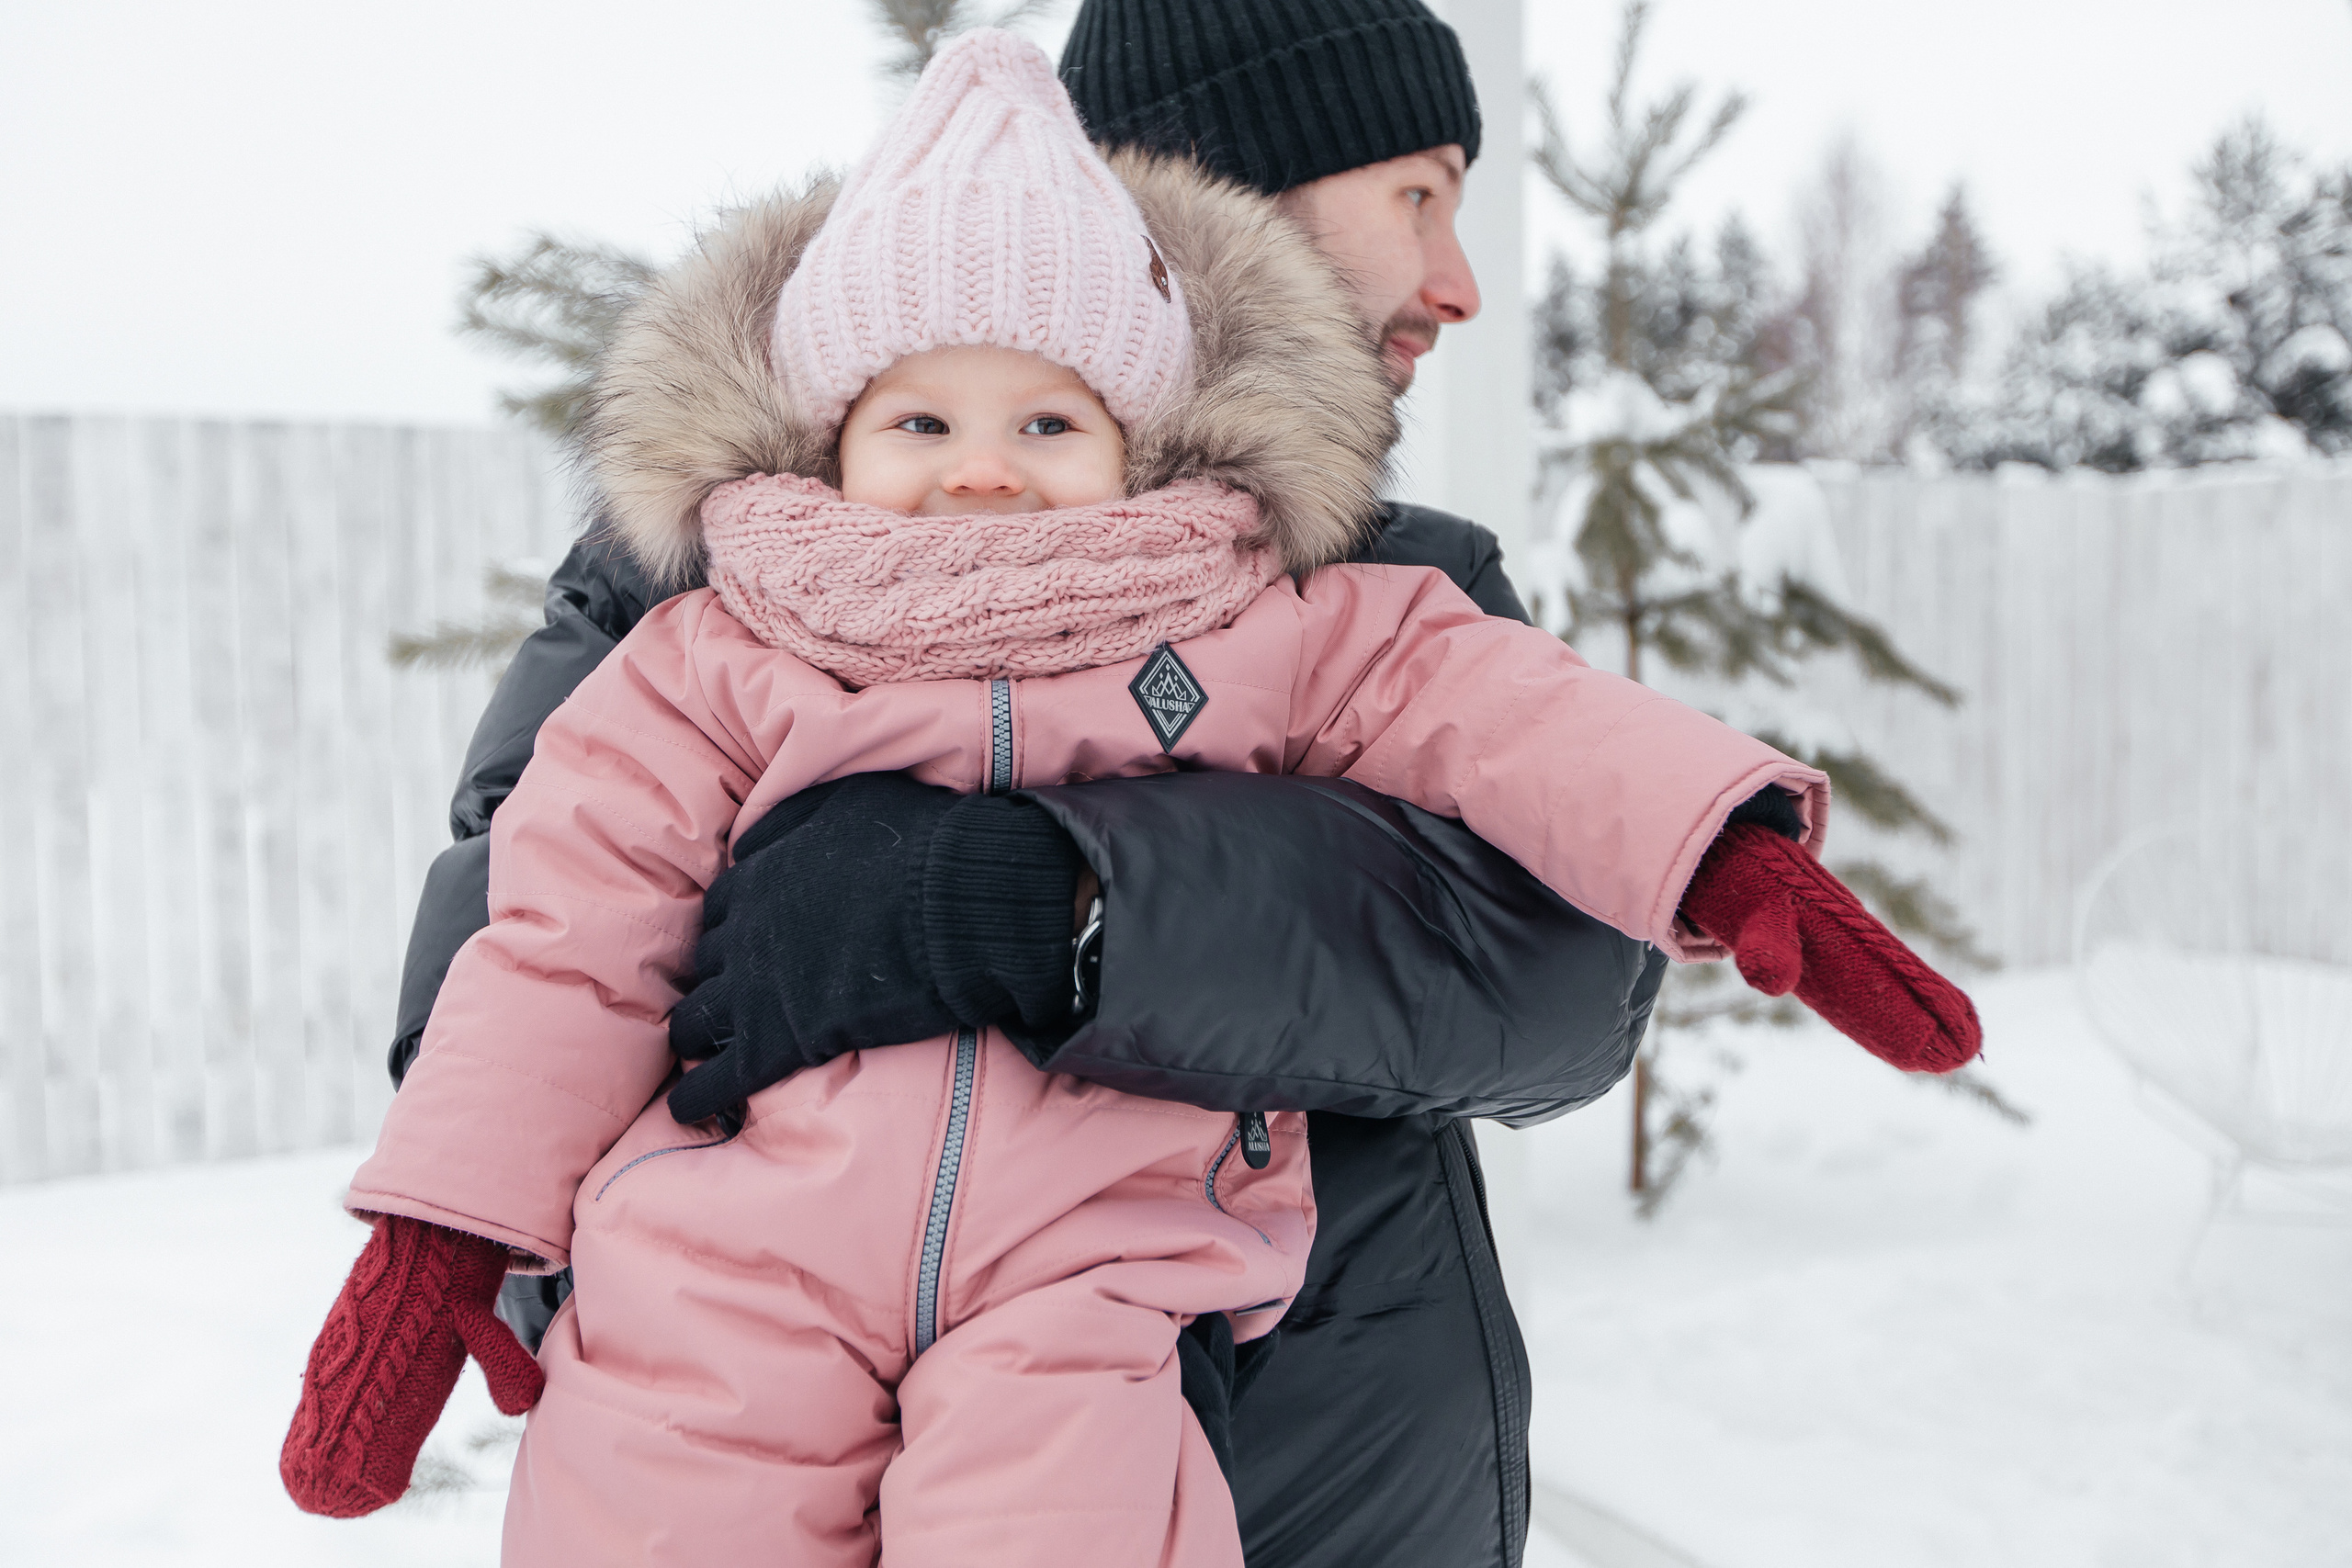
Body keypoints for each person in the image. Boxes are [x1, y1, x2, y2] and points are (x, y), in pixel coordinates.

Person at [285, 30, 1978, 1566]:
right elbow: (541, 945)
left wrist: (1053, 904)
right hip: (733, 1273)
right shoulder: (705, 597)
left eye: (1048, 421)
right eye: (1416, 192)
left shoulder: (1316, 587)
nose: (980, 468)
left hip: (1175, 1353)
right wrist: (447, 1240)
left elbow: (1548, 931)